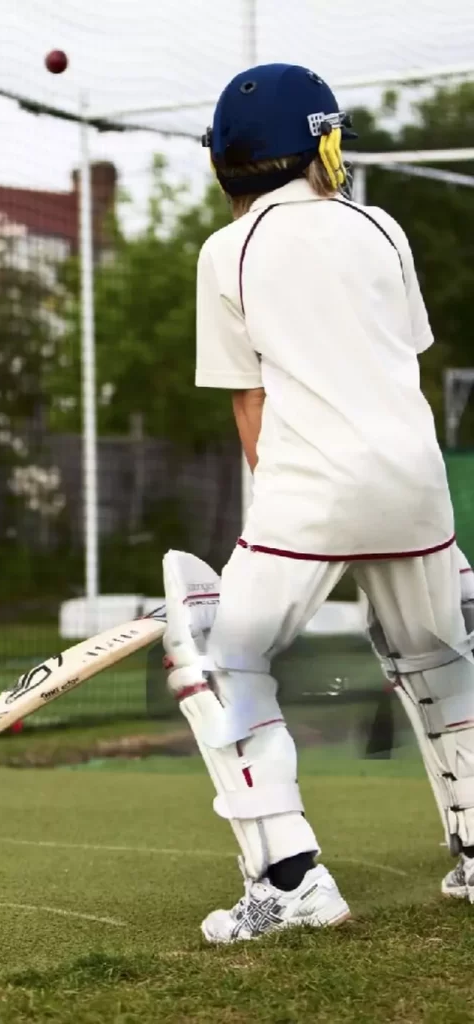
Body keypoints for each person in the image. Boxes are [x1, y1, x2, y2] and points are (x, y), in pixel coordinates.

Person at [161, 63, 474, 943]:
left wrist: (272, 536)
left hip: (312, 489)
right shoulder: (382, 226)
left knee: (221, 653)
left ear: (226, 163)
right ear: (322, 145)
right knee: (442, 659)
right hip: (417, 481)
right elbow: (397, 357)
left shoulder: (229, 250)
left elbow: (250, 407)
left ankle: (291, 881)